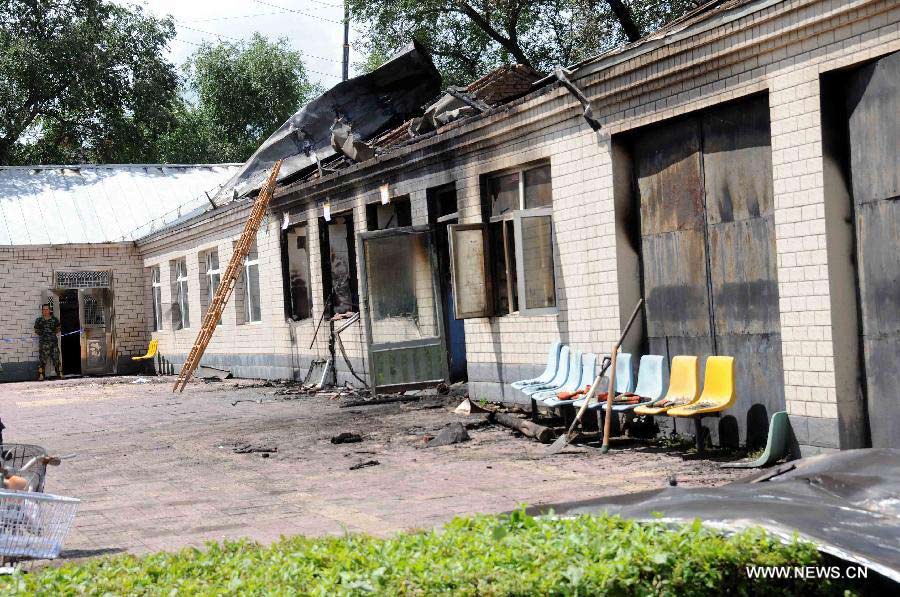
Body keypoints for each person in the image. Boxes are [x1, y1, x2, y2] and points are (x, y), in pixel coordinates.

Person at [33, 304, 62, 381]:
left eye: (46, 309)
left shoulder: (55, 319)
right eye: (44, 309)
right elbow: (36, 330)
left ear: (49, 310)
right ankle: (41, 375)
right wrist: (44, 334)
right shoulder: (39, 320)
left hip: (53, 343)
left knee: (56, 359)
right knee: (42, 360)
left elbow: (58, 329)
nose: (45, 311)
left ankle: (60, 374)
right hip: (43, 344)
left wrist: (51, 334)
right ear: (42, 311)